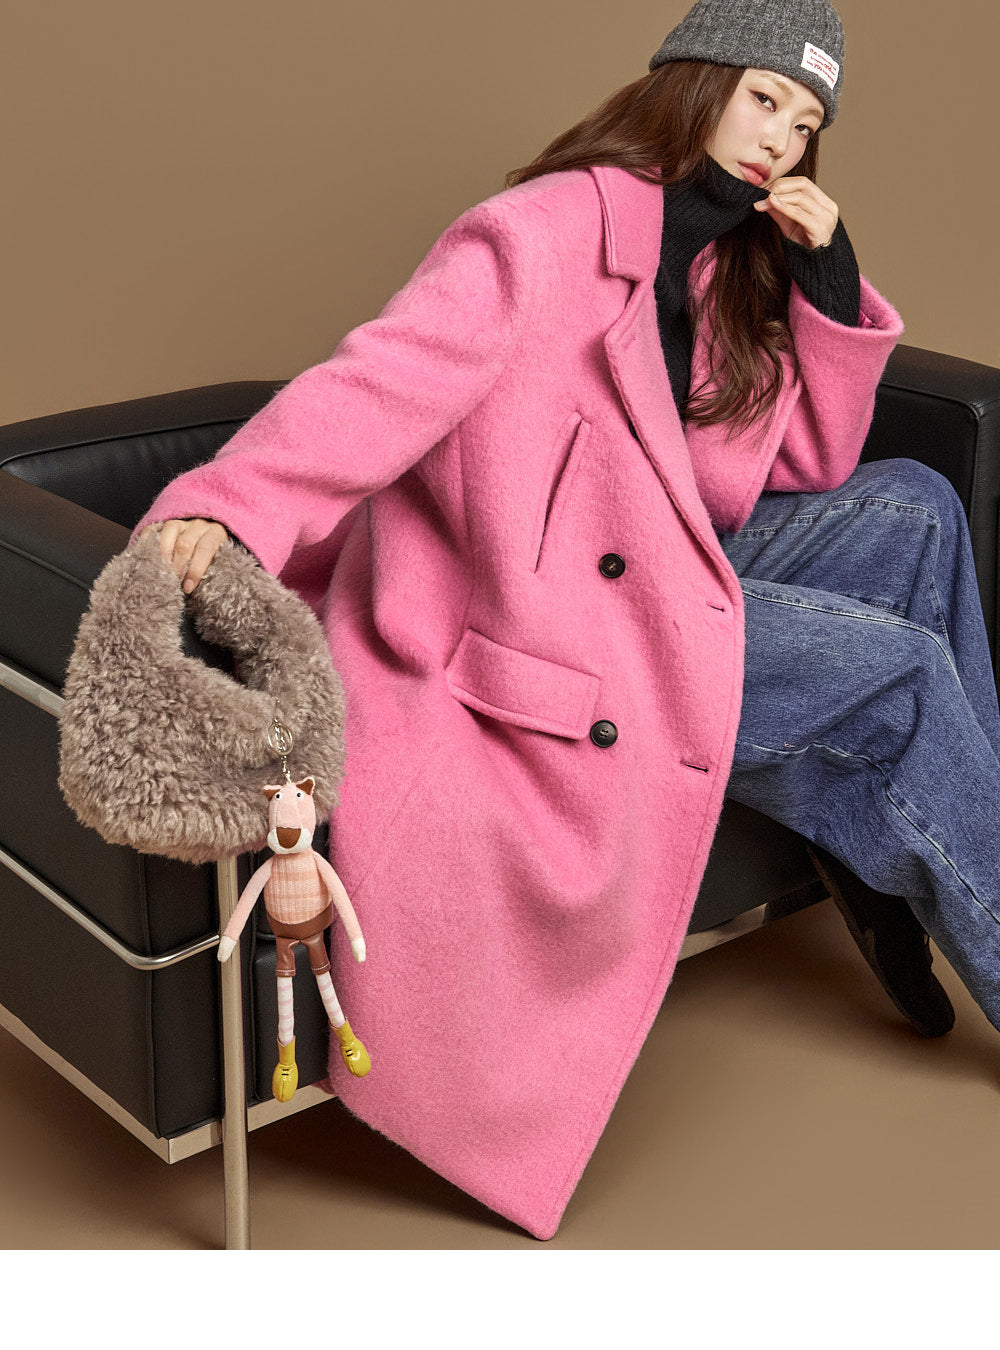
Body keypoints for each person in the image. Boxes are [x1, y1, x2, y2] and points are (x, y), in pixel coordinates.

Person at [134, 0, 998, 1240]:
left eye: (806, 124)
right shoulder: (541, 236)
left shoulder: (726, 257)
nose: (779, 139)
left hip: (671, 570)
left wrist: (826, 278)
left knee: (916, 506)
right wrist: (227, 506)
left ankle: (886, 865)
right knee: (900, 677)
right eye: (764, 99)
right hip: (566, 632)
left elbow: (802, 465)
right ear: (695, 81)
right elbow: (374, 383)